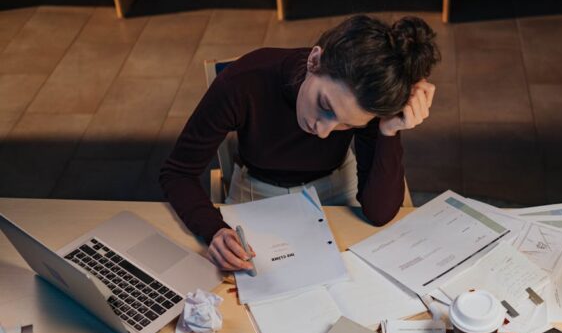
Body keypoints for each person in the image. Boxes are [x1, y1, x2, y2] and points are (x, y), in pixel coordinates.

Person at [160, 14, 440, 272]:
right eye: (325, 105)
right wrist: (214, 230)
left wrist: (389, 131)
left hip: (336, 186)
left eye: (347, 125)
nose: (322, 131)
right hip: (257, 191)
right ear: (314, 61)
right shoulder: (245, 81)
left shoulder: (366, 105)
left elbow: (379, 214)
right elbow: (177, 172)